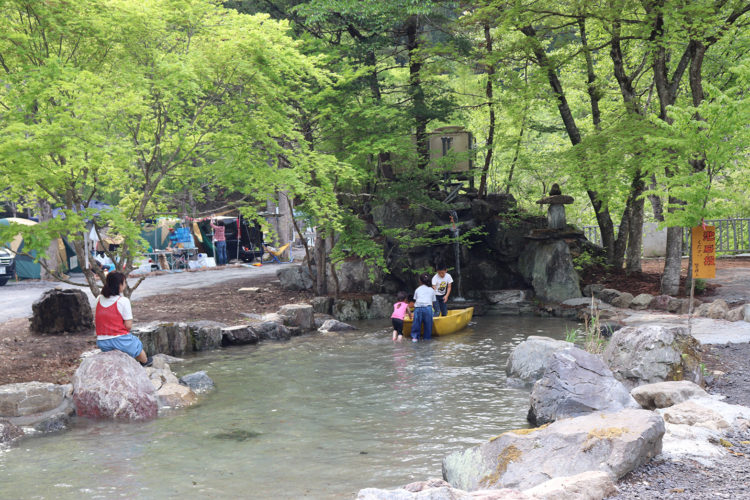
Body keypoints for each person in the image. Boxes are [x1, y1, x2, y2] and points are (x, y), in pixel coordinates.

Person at [95, 272, 152, 367]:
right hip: (119, 339)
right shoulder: (123, 301)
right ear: (119, 285)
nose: (125, 284)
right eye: (124, 282)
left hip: (102, 342)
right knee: (136, 344)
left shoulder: (99, 298)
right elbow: (128, 325)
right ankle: (145, 362)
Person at [411, 273, 436, 342]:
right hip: (428, 308)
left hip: (418, 308)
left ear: (420, 281)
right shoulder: (432, 290)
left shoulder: (418, 289)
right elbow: (432, 302)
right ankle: (427, 339)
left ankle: (415, 338)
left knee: (416, 324)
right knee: (428, 325)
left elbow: (416, 300)